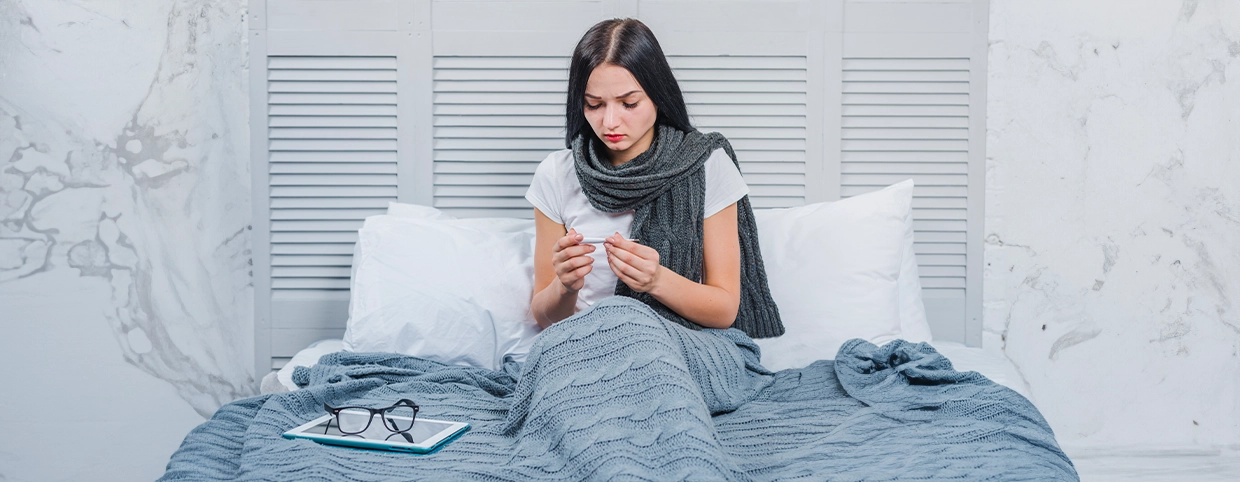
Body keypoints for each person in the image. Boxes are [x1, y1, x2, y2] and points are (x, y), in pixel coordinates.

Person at [525, 18, 784, 338]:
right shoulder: (556, 174)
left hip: (678, 344)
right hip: (587, 345)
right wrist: (564, 288)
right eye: (594, 105)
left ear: (658, 96)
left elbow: (725, 309)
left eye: (628, 103)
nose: (609, 121)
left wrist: (658, 280)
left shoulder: (706, 165)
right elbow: (544, 316)